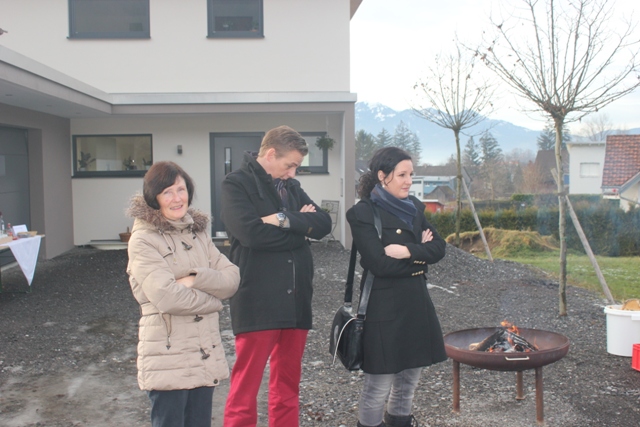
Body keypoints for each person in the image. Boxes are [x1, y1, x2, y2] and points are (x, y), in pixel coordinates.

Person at [220, 125, 332, 426]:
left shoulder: (290, 186)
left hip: (296, 300)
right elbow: (252, 235)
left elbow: (323, 223)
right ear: (270, 154)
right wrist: (301, 229)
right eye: (290, 165)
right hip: (257, 300)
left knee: (287, 388)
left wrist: (282, 219)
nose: (293, 173)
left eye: (296, 167)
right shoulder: (236, 184)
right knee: (245, 389)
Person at [126, 161, 240, 427]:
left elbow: (232, 278)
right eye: (167, 192)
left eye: (181, 189)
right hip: (168, 358)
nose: (177, 199)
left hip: (203, 354)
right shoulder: (143, 239)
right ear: (153, 198)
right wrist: (214, 300)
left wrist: (194, 279)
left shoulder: (197, 233)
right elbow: (168, 297)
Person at [346, 147, 447, 427]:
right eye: (402, 175)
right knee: (378, 386)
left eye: (411, 174)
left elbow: (439, 248)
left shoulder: (414, 207)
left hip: (416, 305)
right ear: (383, 175)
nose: (408, 181)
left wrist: (407, 252)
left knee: (408, 381)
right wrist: (421, 258)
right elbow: (379, 264)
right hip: (384, 310)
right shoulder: (362, 213)